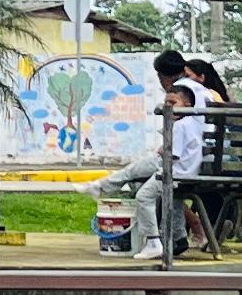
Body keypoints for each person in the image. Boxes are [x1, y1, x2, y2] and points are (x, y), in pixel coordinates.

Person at [83, 53, 208, 262]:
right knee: (142, 174)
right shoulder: (200, 90)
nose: (167, 105)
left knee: (141, 183)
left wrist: (164, 150)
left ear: (163, 76)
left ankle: (153, 239)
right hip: (204, 158)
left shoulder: (182, 94)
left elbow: (171, 156)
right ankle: (176, 237)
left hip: (184, 165)